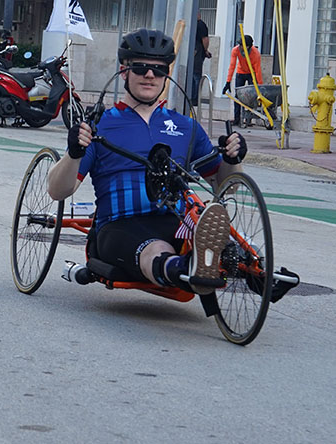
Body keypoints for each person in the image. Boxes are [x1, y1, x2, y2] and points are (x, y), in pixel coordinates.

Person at [47, 28, 248, 295]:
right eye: (141, 68)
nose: (150, 75)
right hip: (120, 225)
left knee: (210, 232)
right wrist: (74, 153)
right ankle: (185, 269)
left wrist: (232, 160)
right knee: (155, 249)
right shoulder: (99, 126)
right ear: (124, 71)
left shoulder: (186, 127)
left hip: (176, 221)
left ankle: (246, 269)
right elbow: (57, 190)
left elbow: (226, 185)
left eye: (159, 69)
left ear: (167, 74)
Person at [223, 34, 262, 126]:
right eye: (239, 44)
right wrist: (228, 82)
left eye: (242, 45)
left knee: (252, 96)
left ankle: (249, 119)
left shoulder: (255, 53)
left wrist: (259, 86)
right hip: (241, 72)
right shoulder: (235, 50)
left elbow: (258, 71)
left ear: (248, 46)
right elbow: (232, 66)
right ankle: (237, 119)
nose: (239, 47)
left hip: (251, 73)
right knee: (238, 96)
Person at [190, 15, 211, 107]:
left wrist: (205, 50)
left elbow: (204, 39)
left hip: (196, 50)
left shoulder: (198, 24)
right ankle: (194, 98)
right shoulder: (199, 24)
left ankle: (194, 98)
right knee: (195, 75)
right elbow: (205, 39)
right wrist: (206, 50)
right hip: (197, 51)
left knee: (194, 76)